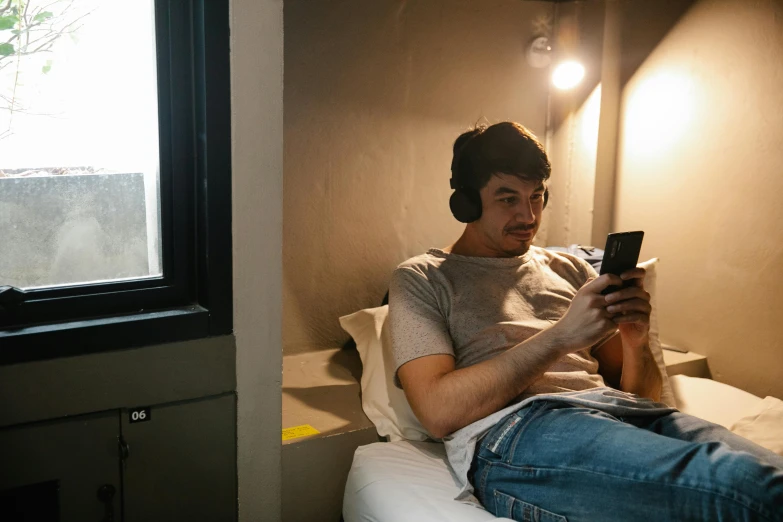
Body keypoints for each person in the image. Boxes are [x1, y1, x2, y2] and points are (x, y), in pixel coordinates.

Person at [388, 122, 783, 521]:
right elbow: (437, 412)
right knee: (744, 486)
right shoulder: (422, 277)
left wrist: (635, 339)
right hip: (521, 431)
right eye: (508, 199)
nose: (528, 215)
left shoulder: (571, 268)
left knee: (770, 475)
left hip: (621, 413)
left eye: (537, 196)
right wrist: (559, 337)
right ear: (467, 204)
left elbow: (643, 398)